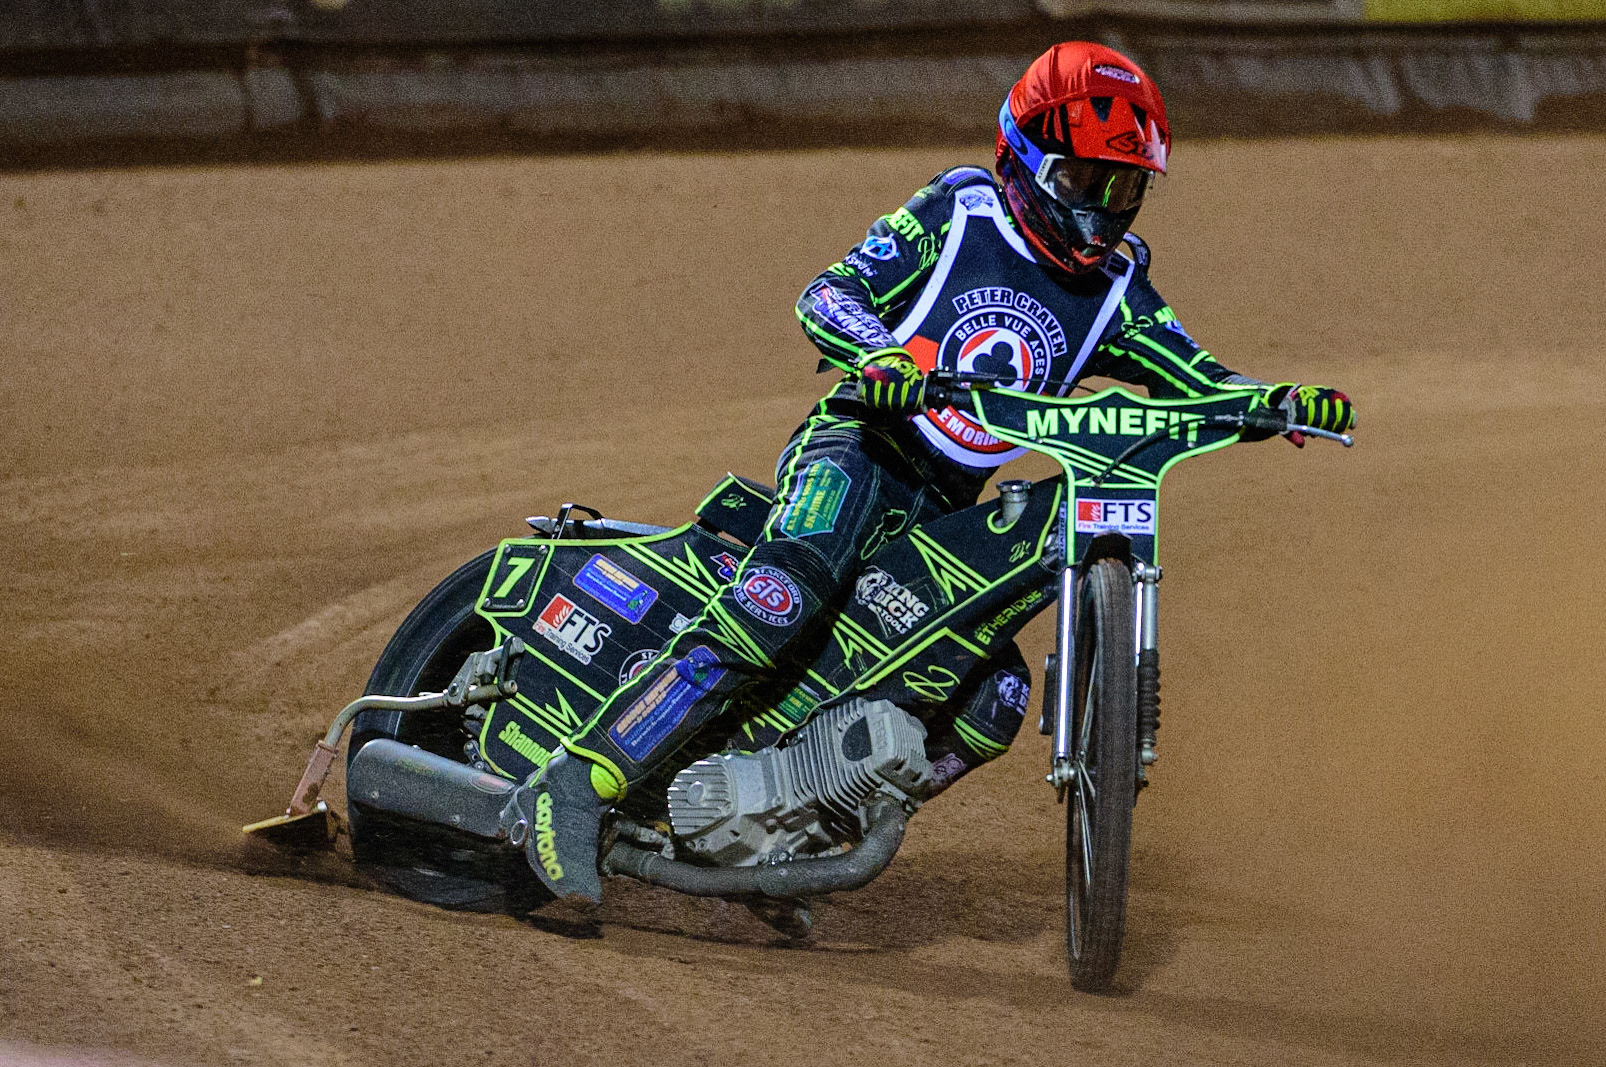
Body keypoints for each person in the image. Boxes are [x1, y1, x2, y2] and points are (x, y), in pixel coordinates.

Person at [507, 40, 1356, 905]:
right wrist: (881, 355)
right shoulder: (959, 211)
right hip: (860, 450)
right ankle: (578, 780)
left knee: (994, 697)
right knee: (782, 600)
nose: (1102, 215)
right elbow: (828, 293)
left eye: (1123, 191)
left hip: (943, 505)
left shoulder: (1117, 288)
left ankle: (789, 838)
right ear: (1023, 159)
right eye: (1082, 183)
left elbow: (1197, 375)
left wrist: (1274, 401)